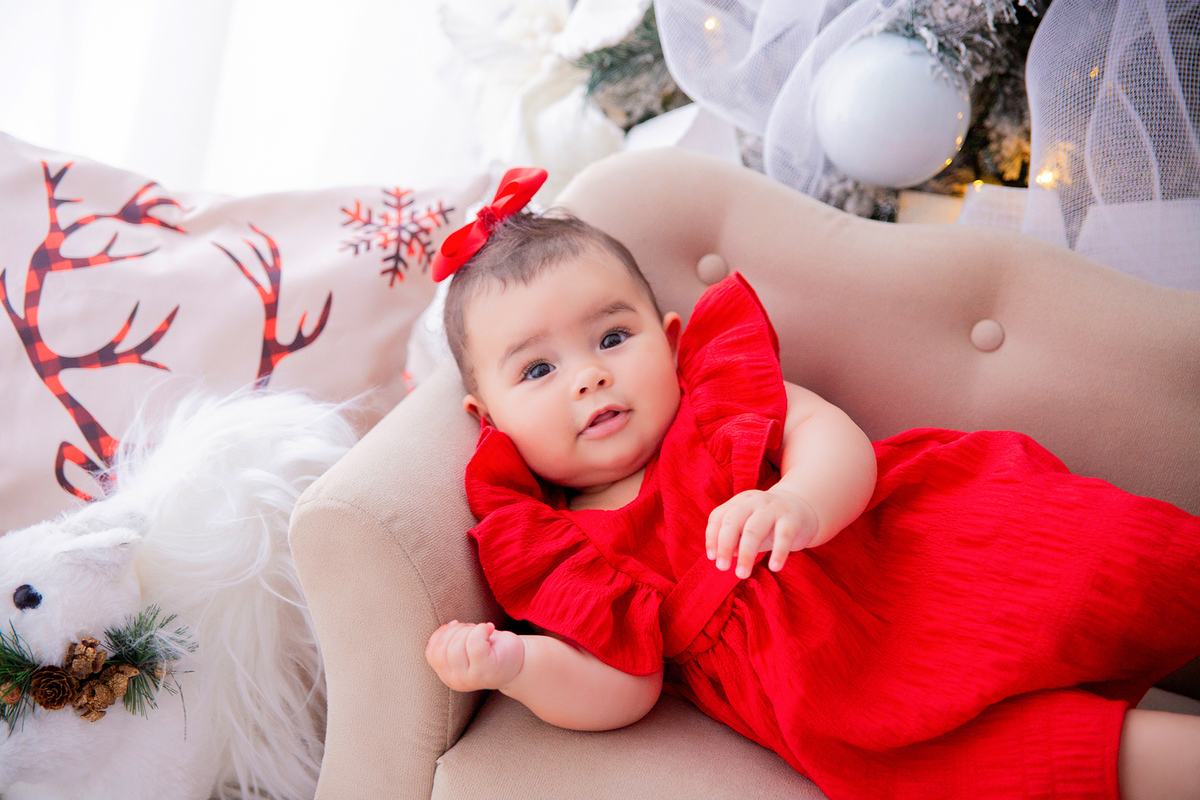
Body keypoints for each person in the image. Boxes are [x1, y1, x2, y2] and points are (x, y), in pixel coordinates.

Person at [424, 168, 1200, 800]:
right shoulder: (562, 548)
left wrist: (797, 499)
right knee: (1050, 759)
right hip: (845, 701)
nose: (589, 375)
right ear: (485, 418)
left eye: (613, 337)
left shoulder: (717, 405)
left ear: (666, 341)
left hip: (908, 557)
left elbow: (836, 442)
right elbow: (623, 687)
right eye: (538, 369)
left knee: (1108, 565)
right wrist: (518, 668)